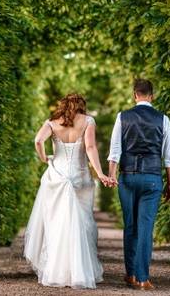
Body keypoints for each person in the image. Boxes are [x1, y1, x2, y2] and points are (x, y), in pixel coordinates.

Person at [23, 93, 114, 289]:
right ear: (82, 105)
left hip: (57, 176)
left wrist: (44, 159)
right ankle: (80, 272)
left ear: (63, 105)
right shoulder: (88, 121)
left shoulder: (52, 123)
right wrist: (100, 173)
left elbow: (38, 141)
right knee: (82, 223)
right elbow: (90, 147)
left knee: (57, 224)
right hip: (79, 178)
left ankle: (57, 272)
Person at [108, 78, 170, 290]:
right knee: (145, 227)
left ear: (134, 95)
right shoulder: (163, 119)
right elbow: (169, 157)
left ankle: (130, 274)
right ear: (152, 95)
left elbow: (115, 151)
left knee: (130, 226)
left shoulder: (123, 117)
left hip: (127, 177)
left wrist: (112, 175)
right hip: (152, 178)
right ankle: (143, 278)